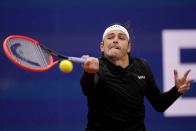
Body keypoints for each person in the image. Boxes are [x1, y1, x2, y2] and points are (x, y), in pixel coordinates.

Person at [80, 23, 192, 131]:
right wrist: (88, 73)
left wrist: (177, 90)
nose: (115, 40)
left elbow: (159, 104)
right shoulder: (97, 67)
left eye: (121, 38)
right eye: (110, 37)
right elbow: (88, 89)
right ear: (102, 47)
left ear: (129, 47)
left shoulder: (142, 66)